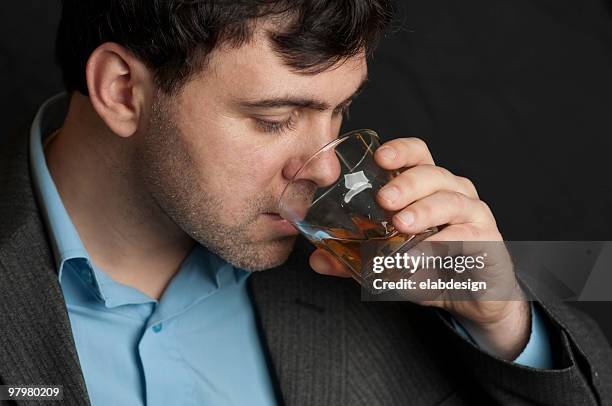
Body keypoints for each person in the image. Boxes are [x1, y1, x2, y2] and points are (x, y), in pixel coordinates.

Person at [0, 1, 610, 405]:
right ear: (123, 90)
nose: (325, 167)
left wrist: (506, 327)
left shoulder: (387, 264)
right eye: (274, 119)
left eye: (339, 109)